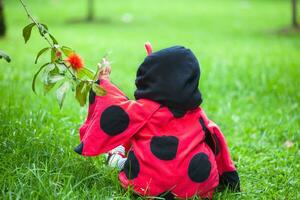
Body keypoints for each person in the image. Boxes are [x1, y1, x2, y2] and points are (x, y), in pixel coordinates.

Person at [75, 44, 240, 199]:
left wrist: (104, 81)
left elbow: (114, 111)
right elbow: (217, 141)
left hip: (146, 186)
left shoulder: (145, 109)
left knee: (122, 154)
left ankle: (114, 156)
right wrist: (230, 177)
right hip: (198, 189)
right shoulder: (197, 114)